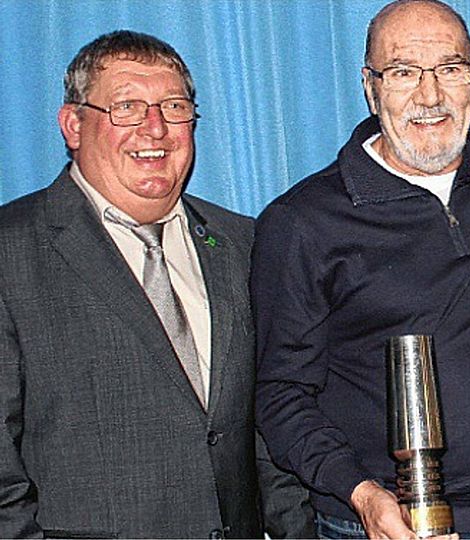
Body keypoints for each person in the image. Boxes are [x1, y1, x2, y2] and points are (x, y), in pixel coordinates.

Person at [252, 1, 470, 538]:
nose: (430, 95)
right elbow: (281, 395)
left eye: (450, 68)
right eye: (402, 72)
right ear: (370, 87)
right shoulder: (303, 221)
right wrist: (360, 493)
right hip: (388, 526)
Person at [0, 30, 315, 538]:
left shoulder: (245, 244)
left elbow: (269, 431)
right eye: (126, 107)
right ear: (73, 125)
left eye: (173, 106)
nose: (155, 128)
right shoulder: (10, 254)